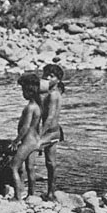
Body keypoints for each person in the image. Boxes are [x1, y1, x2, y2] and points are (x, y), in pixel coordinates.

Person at [9, 73, 42, 201]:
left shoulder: (29, 107)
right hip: (35, 140)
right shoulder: (38, 107)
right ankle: (31, 195)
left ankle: (17, 197)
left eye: (23, 90)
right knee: (30, 168)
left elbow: (25, 127)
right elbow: (36, 127)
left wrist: (16, 141)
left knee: (14, 166)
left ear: (29, 91)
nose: (22, 93)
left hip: (27, 141)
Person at [39, 64, 65, 200]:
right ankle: (50, 192)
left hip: (51, 131)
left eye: (52, 76)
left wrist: (40, 135)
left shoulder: (54, 95)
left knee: (27, 151)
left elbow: (49, 118)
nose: (47, 78)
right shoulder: (51, 93)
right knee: (50, 162)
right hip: (54, 130)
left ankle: (48, 192)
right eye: (46, 75)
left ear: (58, 80)